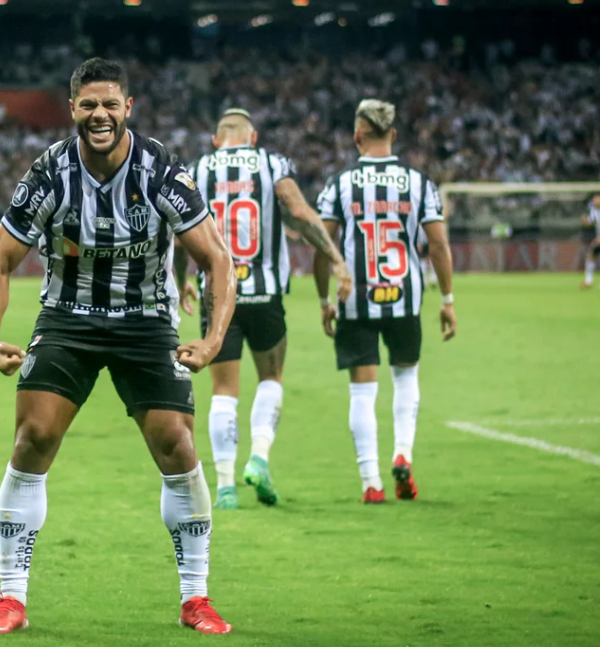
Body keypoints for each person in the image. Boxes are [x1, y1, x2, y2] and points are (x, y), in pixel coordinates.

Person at [0, 58, 236, 635]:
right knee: (33, 435)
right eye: (88, 104)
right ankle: (10, 599)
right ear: (73, 109)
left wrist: (213, 339)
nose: (99, 115)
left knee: (176, 443)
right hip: (68, 318)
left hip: (145, 322)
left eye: (110, 104)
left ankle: (196, 598)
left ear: (128, 109)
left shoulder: (160, 168)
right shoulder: (49, 173)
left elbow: (216, 256)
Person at [174, 108, 351, 510]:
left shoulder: (199, 168)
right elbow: (300, 212)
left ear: (217, 140)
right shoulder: (272, 164)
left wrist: (182, 276)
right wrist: (336, 259)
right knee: (272, 376)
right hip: (265, 293)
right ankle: (259, 457)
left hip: (218, 297)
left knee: (223, 389)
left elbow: (182, 234)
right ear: (253, 139)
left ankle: (224, 486)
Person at [313, 98, 457, 504]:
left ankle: (371, 483)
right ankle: (403, 453)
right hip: (405, 297)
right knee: (406, 376)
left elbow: (322, 245)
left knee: (362, 391)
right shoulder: (419, 182)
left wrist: (325, 299)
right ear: (393, 135)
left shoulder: (340, 183)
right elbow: (439, 244)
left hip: (354, 299)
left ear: (357, 136)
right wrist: (447, 298)